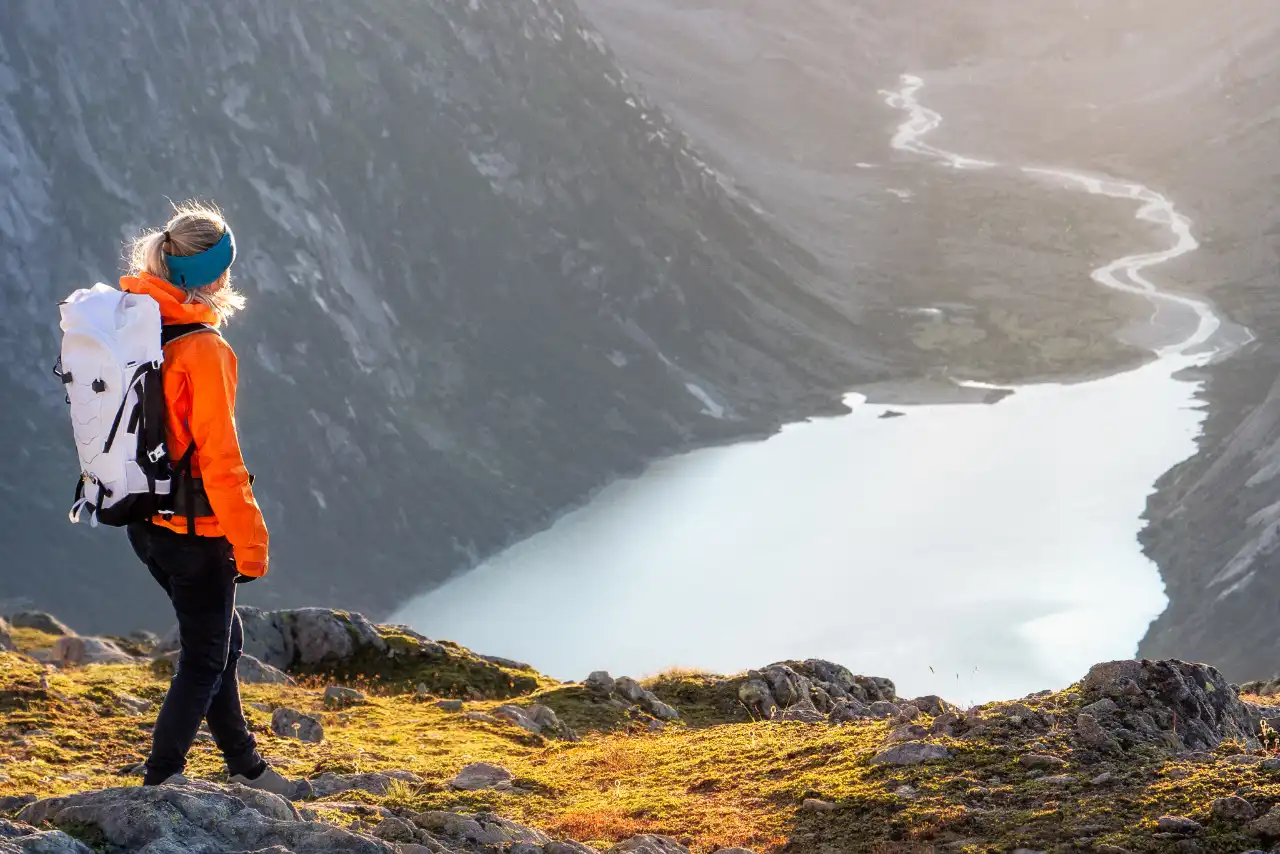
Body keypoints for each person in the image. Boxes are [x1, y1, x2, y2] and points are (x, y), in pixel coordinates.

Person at [120, 202, 290, 795]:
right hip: (195, 532)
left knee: (220, 639)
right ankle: (161, 779)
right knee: (205, 657)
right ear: (213, 276)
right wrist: (252, 545)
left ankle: (245, 764)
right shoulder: (203, 350)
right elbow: (219, 459)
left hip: (144, 519)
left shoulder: (135, 321)